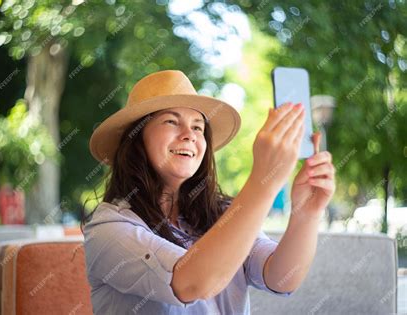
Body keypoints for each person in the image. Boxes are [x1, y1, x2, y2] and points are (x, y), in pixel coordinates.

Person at [82, 70, 336, 314]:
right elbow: (192, 283)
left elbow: (282, 278)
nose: (189, 136)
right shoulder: (107, 228)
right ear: (136, 138)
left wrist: (307, 212)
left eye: (197, 127)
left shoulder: (224, 213)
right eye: (171, 121)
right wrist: (264, 181)